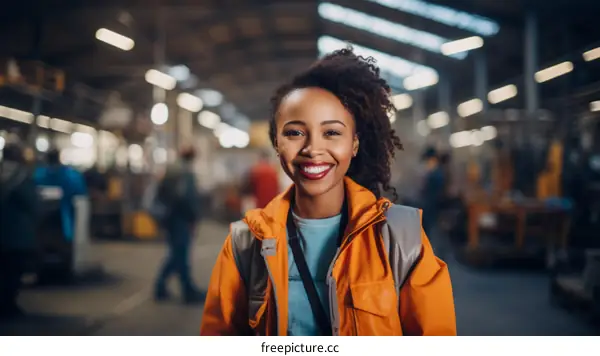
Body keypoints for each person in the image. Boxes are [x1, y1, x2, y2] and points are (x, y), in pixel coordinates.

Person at [200, 48, 456, 336]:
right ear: (276, 143)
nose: (312, 150)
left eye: (332, 133)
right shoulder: (245, 244)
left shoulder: (401, 239)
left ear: (354, 144)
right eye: (295, 133)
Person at [153, 146, 203, 303]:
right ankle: (187, 290)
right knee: (180, 252)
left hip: (170, 216)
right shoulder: (185, 173)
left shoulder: (172, 169)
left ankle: (162, 287)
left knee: (177, 253)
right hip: (180, 218)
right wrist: (193, 217)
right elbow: (186, 197)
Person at [0, 142, 39, 319]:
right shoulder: (22, 176)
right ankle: (8, 304)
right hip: (16, 233)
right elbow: (33, 203)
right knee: (13, 270)